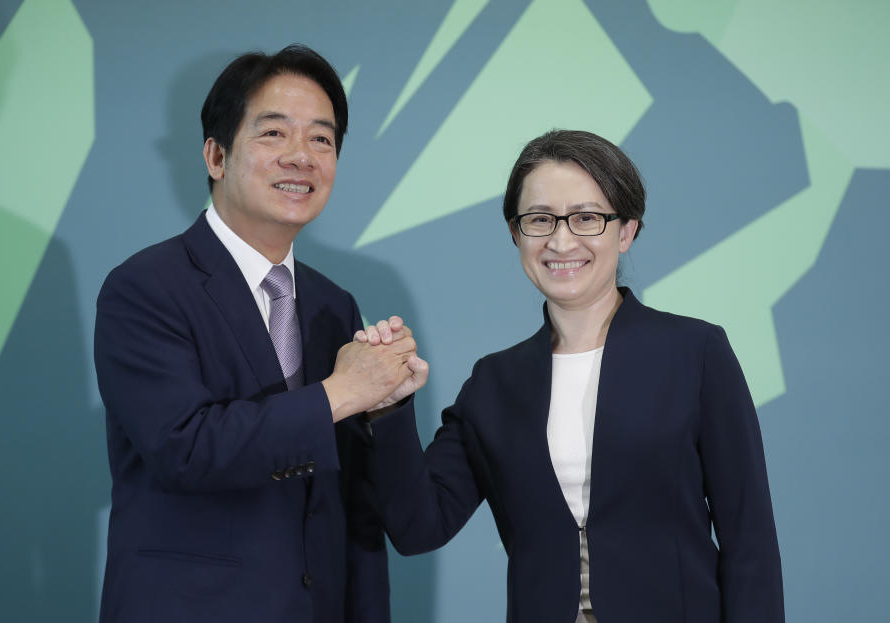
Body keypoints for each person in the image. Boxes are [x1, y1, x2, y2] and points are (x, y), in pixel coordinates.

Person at [360, 130, 784, 622]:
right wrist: (388, 407)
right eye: (540, 220)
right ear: (516, 234)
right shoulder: (494, 383)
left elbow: (749, 539)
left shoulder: (696, 353)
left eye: (586, 218)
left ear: (626, 231)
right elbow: (419, 528)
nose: (561, 240)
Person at [93, 45, 419, 623]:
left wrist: (384, 405)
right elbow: (185, 448)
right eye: (274, 134)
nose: (302, 157)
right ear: (216, 156)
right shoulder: (143, 287)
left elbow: (348, 503)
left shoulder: (332, 304)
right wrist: (342, 393)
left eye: (322, 139)